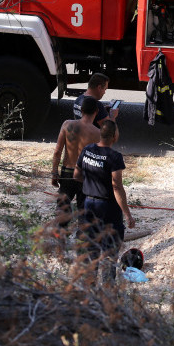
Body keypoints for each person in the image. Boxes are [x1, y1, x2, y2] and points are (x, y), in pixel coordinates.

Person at [74, 120, 135, 283]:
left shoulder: (87, 150)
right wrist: (128, 215)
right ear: (114, 136)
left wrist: (91, 185)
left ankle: (90, 287)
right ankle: (108, 289)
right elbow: (117, 187)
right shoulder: (114, 157)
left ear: (101, 134)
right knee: (110, 250)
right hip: (108, 208)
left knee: (91, 247)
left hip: (89, 204)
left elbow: (76, 175)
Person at [51, 95, 101, 229]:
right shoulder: (97, 133)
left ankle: (60, 237)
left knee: (63, 208)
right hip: (85, 175)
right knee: (84, 211)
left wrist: (54, 172)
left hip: (67, 172)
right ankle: (82, 240)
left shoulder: (67, 125)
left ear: (82, 110)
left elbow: (57, 152)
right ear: (96, 112)